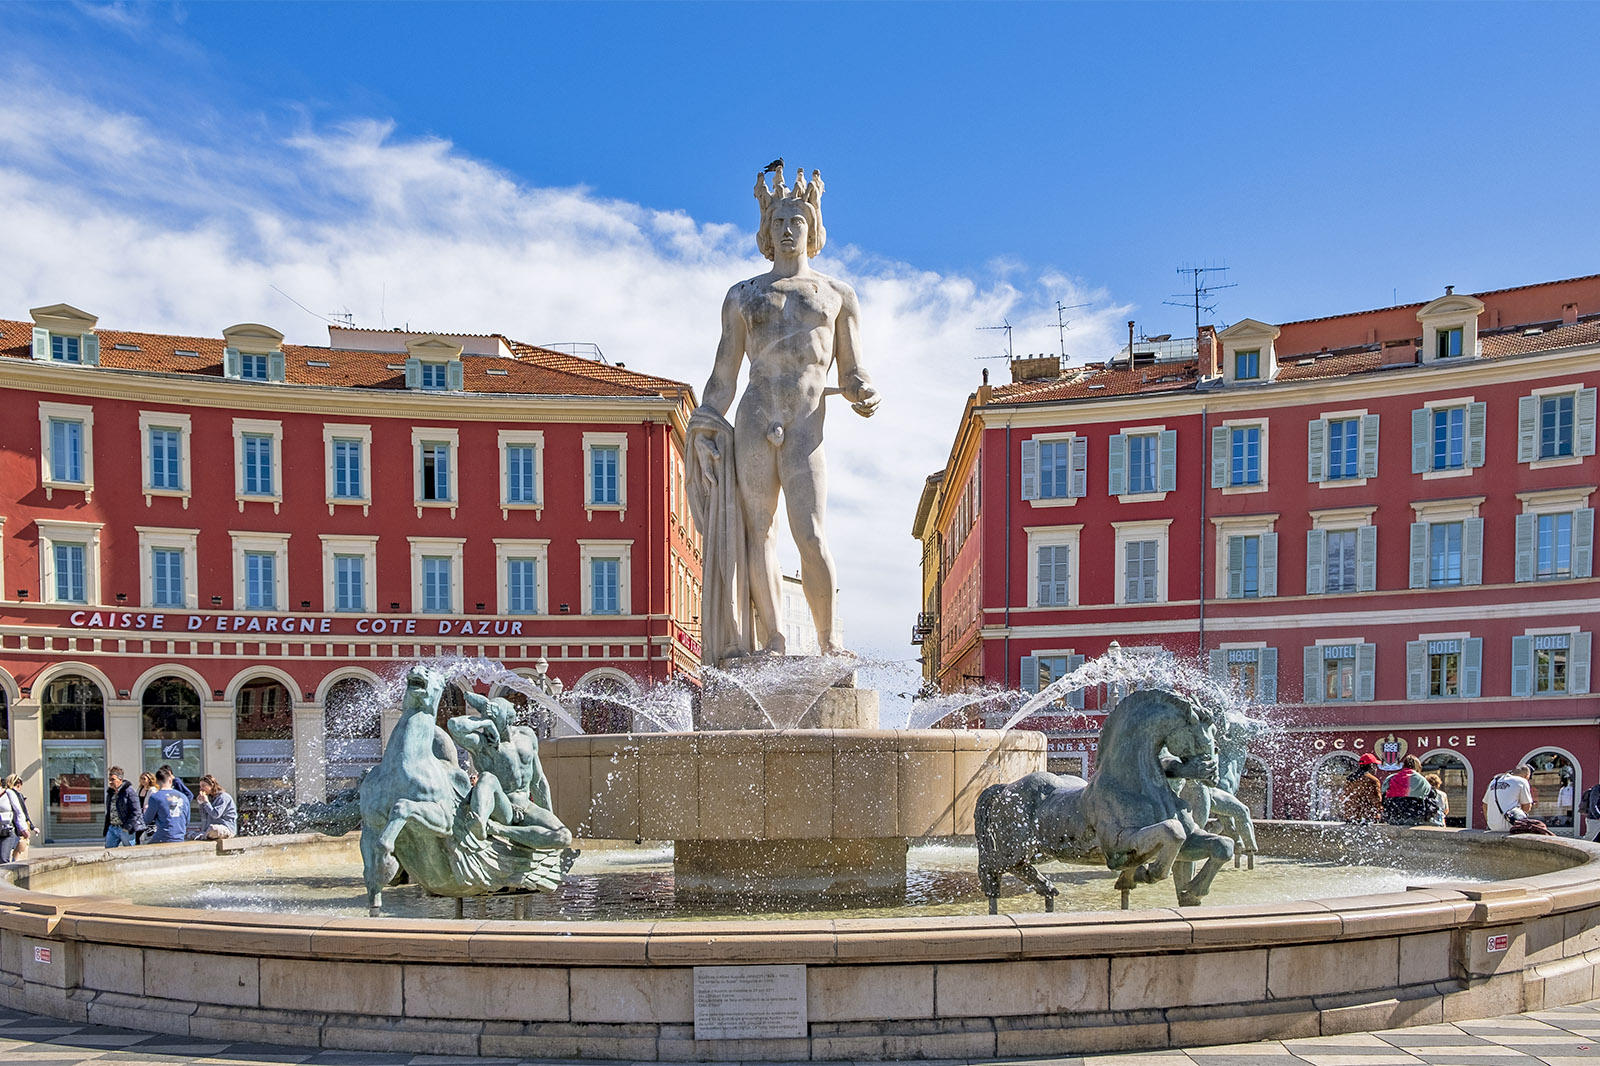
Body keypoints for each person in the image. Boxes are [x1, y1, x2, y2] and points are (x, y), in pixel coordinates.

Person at [688, 165, 879, 663]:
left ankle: (828, 642)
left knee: (810, 532)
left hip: (804, 427)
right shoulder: (743, 295)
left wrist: (863, 392)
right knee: (759, 531)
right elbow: (723, 375)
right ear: (766, 232)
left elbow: (854, 368)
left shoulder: (838, 295)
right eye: (779, 221)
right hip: (755, 419)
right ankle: (772, 640)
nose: (789, 227)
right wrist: (706, 423)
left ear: (813, 229)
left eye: (798, 218)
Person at [1382, 755, 1438, 826]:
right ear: (1418, 766)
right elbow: (1432, 795)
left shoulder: (1391, 778)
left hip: (1394, 815)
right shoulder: (1422, 780)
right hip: (1415, 815)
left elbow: (1383, 794)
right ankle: (1428, 820)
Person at [141, 767, 191, 843]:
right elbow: (187, 820)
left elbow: (147, 819)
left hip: (162, 837)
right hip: (180, 837)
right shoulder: (183, 797)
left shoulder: (155, 797)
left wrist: (146, 810)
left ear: (157, 781)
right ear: (170, 780)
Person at [1483, 764, 1536, 832]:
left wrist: (1490, 822)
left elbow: (1485, 805)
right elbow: (1527, 806)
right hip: (1511, 826)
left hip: (1492, 826)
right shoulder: (1522, 781)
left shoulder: (1494, 781)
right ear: (1526, 776)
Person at [103, 767, 144, 848]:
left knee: (130, 853)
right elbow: (109, 811)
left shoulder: (129, 792)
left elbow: (136, 812)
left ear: (120, 779)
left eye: (113, 779)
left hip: (125, 829)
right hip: (112, 828)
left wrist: (127, 827)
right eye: (109, 779)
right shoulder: (110, 793)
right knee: (108, 852)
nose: (110, 782)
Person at [1338, 753, 1385, 823]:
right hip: (1367, 818)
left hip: (1350, 817)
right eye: (1376, 765)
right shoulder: (1373, 780)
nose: (1376, 768)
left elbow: (1344, 798)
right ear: (1371, 766)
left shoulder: (1349, 780)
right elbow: (1377, 800)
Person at [2, 775, 37, 859]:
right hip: (13, 829)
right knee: (16, 855)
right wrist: (28, 827)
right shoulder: (16, 795)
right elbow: (22, 812)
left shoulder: (6, 793)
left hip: (8, 827)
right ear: (18, 784)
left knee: (8, 855)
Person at [194, 775, 238, 840]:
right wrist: (201, 803)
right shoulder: (210, 798)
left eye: (203, 786)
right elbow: (204, 817)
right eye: (200, 786)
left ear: (211, 785)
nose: (201, 789)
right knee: (190, 834)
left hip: (226, 828)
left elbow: (216, 814)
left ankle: (204, 835)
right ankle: (204, 835)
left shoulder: (223, 797)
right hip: (211, 828)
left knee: (214, 829)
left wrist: (206, 802)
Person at [0, 777, 28, 862]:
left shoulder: (8, 793)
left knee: (3, 858)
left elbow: (19, 812)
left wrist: (23, 829)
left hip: (6, 831)